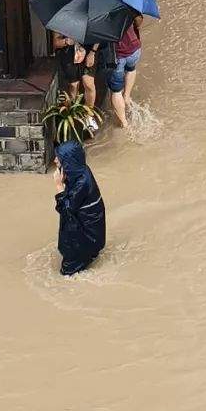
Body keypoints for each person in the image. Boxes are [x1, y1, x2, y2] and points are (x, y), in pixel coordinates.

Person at [54, 140, 107, 276]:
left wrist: (59, 187)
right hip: (92, 231)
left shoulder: (81, 183)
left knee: (67, 273)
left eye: (58, 158)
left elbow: (66, 210)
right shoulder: (81, 172)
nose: (55, 160)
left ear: (68, 162)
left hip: (88, 235)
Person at [53, 33, 99, 131]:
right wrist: (66, 41)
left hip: (89, 50)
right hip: (69, 54)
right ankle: (73, 116)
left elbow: (99, 34)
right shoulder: (61, 21)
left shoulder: (91, 19)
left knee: (89, 84)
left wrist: (93, 52)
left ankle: (89, 116)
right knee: (73, 86)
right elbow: (55, 43)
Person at [105, 15, 142, 128]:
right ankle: (126, 97)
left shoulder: (103, 15)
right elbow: (139, 21)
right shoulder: (128, 5)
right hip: (135, 48)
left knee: (116, 91)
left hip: (118, 55)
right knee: (131, 69)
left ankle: (124, 123)